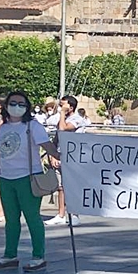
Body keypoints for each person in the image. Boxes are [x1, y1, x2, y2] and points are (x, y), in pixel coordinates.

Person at [0, 91, 62, 272]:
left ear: (27, 107)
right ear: (6, 106)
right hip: (6, 178)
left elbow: (47, 145)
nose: (17, 107)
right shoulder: (3, 127)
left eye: (21, 104)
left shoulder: (32, 126)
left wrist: (60, 157)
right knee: (11, 220)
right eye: (13, 103)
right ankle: (10, 255)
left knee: (32, 218)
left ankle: (38, 256)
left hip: (27, 177)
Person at [44, 95, 81, 228]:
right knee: (61, 187)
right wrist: (53, 155)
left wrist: (62, 114)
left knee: (72, 186)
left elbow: (63, 129)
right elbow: (57, 137)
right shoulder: (62, 118)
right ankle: (60, 214)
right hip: (60, 155)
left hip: (73, 157)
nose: (60, 107)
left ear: (71, 107)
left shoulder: (77, 119)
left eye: (63, 105)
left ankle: (74, 214)